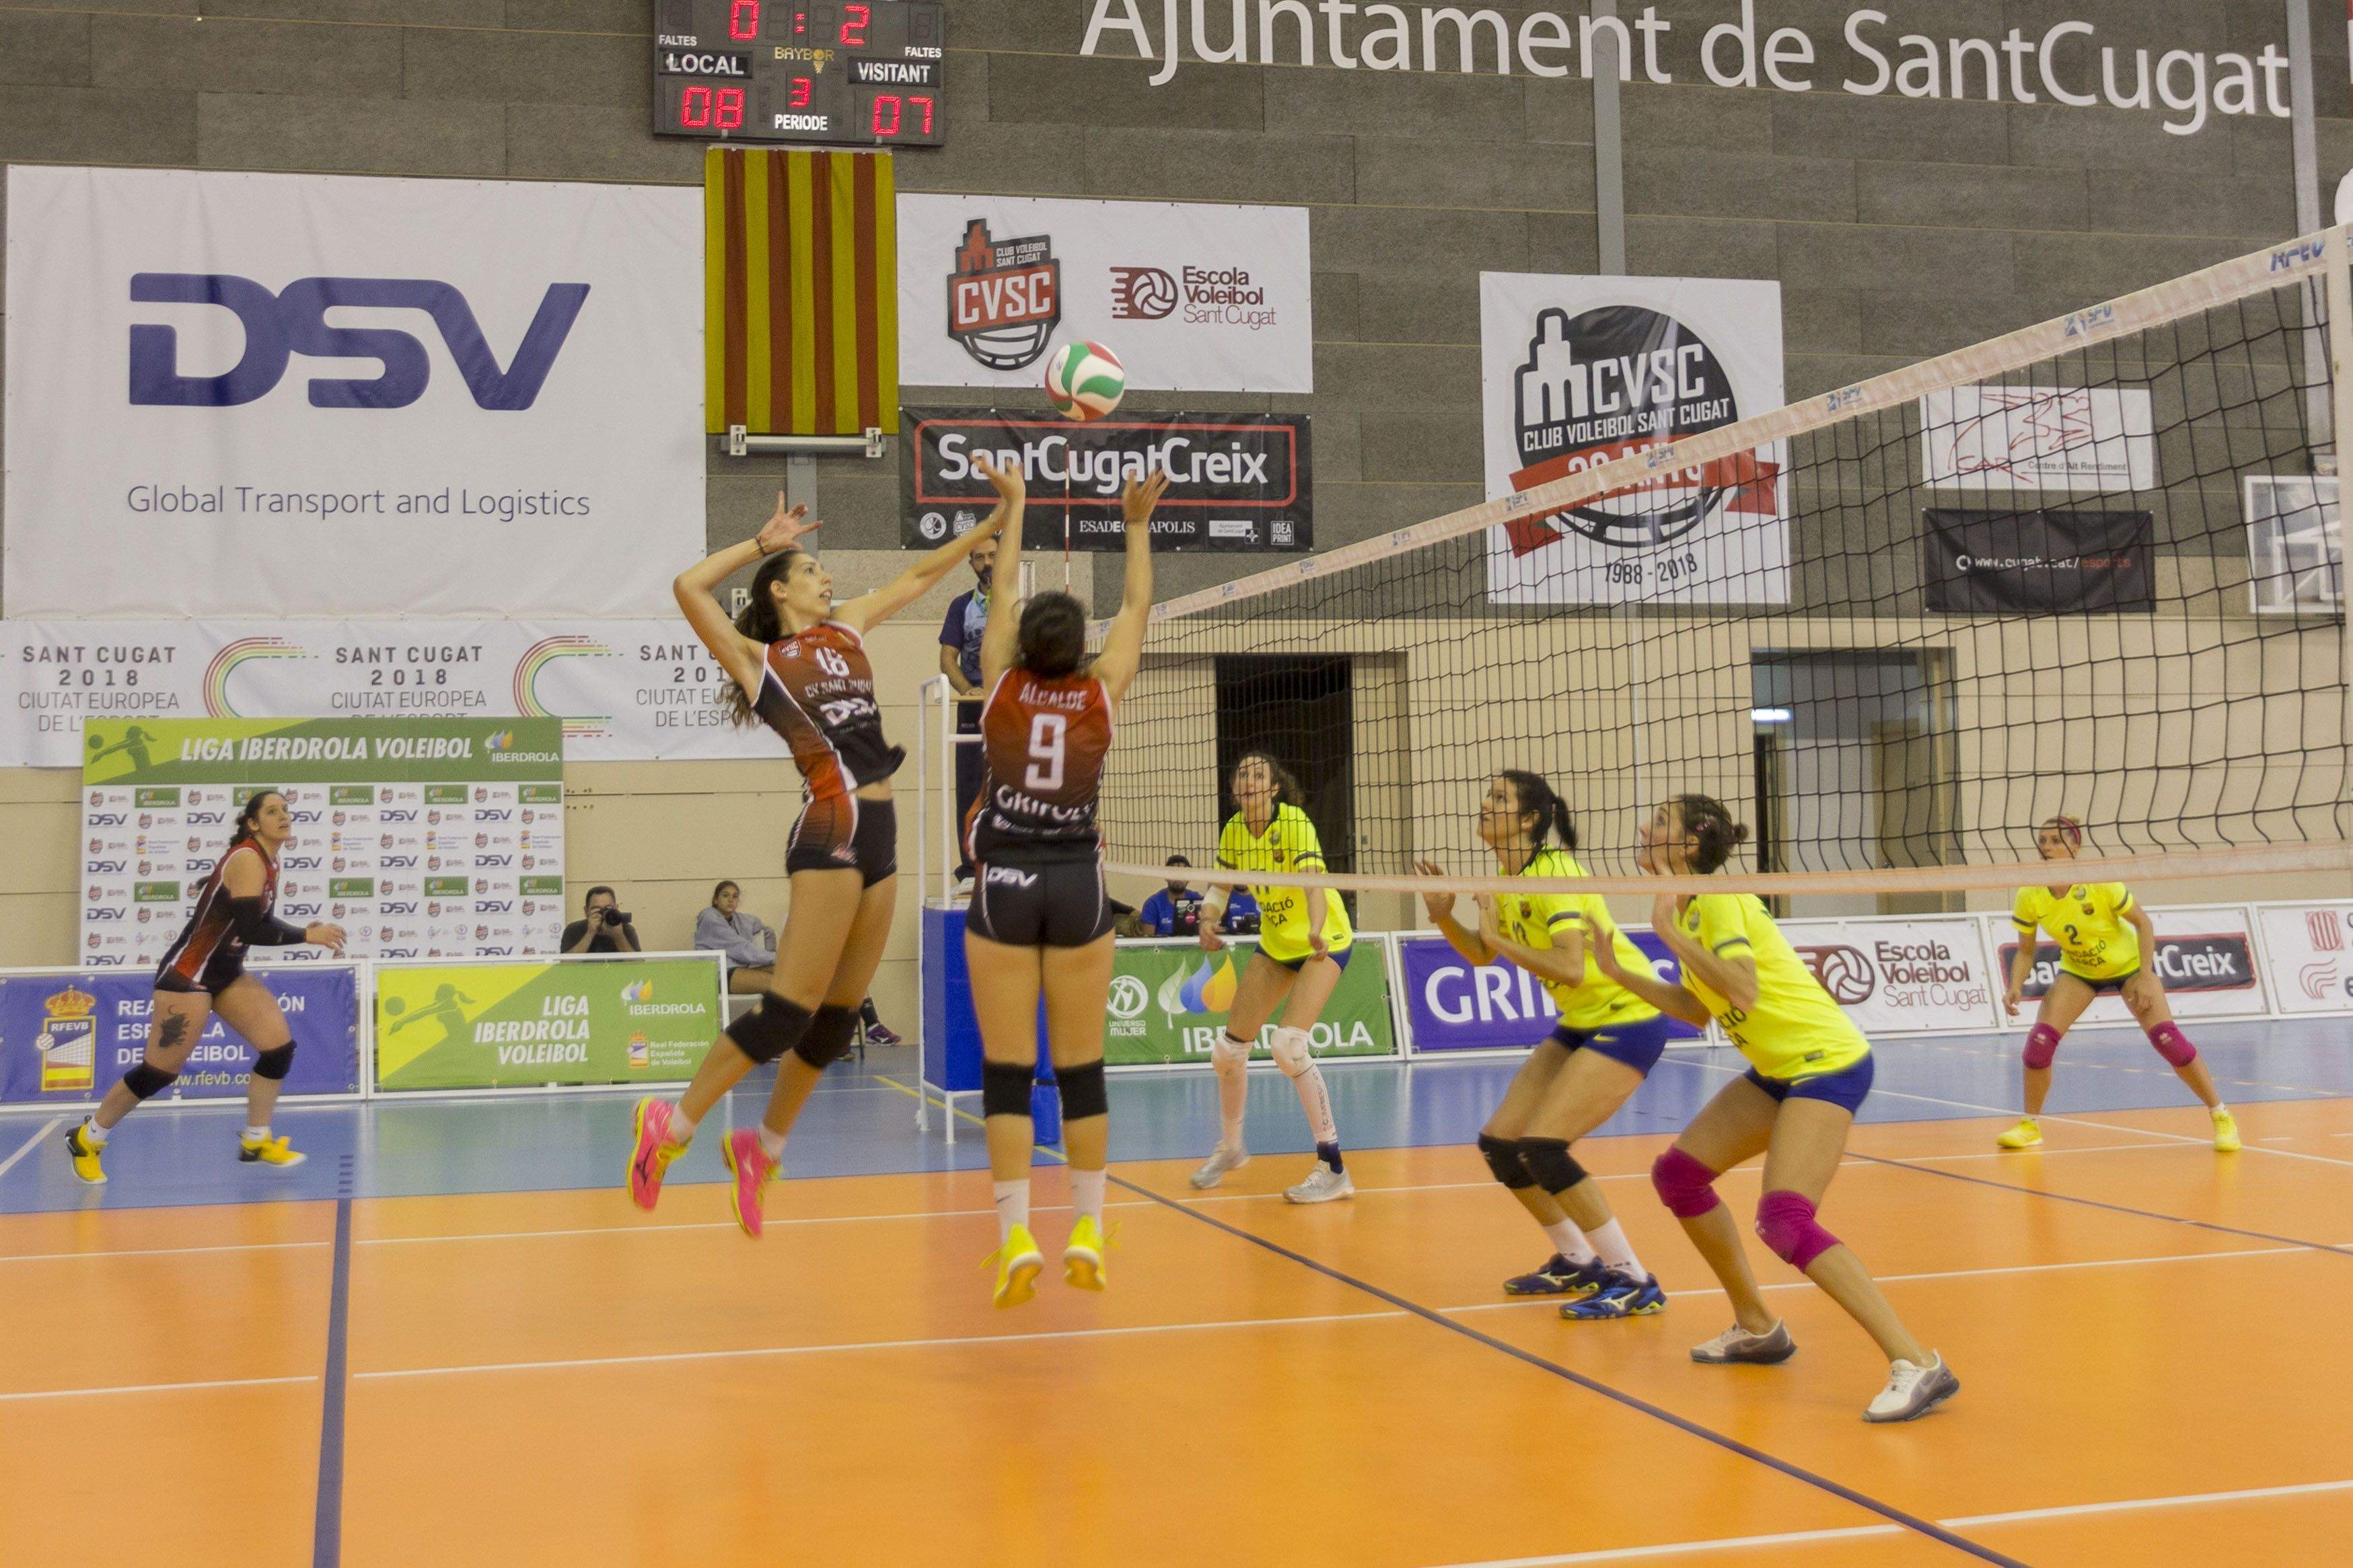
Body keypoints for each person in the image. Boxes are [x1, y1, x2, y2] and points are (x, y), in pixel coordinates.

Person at [626, 473, 1011, 1235]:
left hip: (883, 836)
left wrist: (998, 520)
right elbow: (686, 586)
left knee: (837, 1025)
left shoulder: (848, 627)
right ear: (777, 592)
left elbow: (920, 575)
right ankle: (668, 1126)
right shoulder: (757, 659)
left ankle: (761, 1149)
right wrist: (758, 544)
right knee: (785, 1013)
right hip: (829, 829)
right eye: (807, 570)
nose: (822, 574)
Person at [1590, 794, 1958, 1423]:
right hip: (1777, 1069)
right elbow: (1701, 1009)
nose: (1642, 829)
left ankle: (1916, 1360)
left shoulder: (1719, 898)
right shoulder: (1687, 904)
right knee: (1678, 1175)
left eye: (1658, 823)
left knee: (1785, 1218)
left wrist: (1670, 936)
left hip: (1826, 1063)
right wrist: (1620, 973)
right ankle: (1757, 1325)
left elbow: (1742, 986)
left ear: (1688, 844)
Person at [965, 465, 1165, 1306]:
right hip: (1078, 882)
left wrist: (1014, 506)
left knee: (1008, 1071)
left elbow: (1003, 586)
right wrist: (1134, 526)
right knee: (1081, 1070)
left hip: (1004, 880)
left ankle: (1015, 1235)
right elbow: (1137, 611)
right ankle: (1087, 1224)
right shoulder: (1099, 694)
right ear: (1078, 649)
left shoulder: (1000, 686)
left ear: (1017, 644)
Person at [1416, 771, 1676, 1319]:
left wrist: (1498, 938)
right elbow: (1483, 956)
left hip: (1627, 1017)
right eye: (1486, 794)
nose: (1485, 804)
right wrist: (1444, 916)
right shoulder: (1507, 876)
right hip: (1580, 1020)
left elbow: (1570, 967)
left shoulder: (1553, 873)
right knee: (1500, 1143)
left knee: (1544, 1146)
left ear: (1530, 820)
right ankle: (1577, 1259)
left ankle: (1633, 1279)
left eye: (1500, 798)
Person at [63, 789, 347, 1183]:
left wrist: (303, 932)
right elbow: (251, 929)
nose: (284, 816)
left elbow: (260, 921)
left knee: (278, 1049)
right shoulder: (248, 858)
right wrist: (305, 937)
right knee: (159, 1073)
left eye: (286, 810)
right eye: (272, 811)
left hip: (225, 973)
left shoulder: (268, 862)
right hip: (189, 976)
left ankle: (256, 1138)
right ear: (252, 823)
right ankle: (87, 1137)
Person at [1996, 817, 2238, 1152]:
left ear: (2075, 847)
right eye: (2044, 841)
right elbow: (2025, 950)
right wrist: (2016, 984)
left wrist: (2143, 975)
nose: (2047, 847)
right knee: (2039, 1044)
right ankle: (2029, 1126)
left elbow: (2144, 924)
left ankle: (2221, 1115)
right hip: (2079, 972)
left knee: (2169, 1041)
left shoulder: (2100, 881)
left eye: (2055, 841)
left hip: (2129, 966)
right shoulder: (2030, 892)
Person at [1188, 753, 1356, 1203]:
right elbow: (1221, 883)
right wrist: (1208, 917)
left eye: (1258, 773)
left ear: (1273, 787)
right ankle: (1231, 1147)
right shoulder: (1234, 830)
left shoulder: (1294, 823)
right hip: (1278, 943)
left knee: (1287, 1045)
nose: (1248, 779)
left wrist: (1317, 926)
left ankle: (1333, 1166)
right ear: (1233, 788)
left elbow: (1313, 884)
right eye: (1241, 773)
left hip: (1324, 939)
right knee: (1226, 1052)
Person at [939, 529, 999, 885]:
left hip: (1010, 704)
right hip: (972, 708)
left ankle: (1012, 861)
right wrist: (968, 689)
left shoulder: (1018, 602)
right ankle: (969, 869)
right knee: (970, 785)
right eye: (979, 557)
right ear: (971, 562)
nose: (987, 562)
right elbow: (947, 658)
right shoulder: (961, 606)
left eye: (992, 555)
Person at [1137, 855, 1257, 938]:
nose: (1179, 878)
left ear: (1190, 877)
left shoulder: (1199, 900)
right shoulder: (1153, 904)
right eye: (1174, 873)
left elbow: (1212, 924)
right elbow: (1148, 940)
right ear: (1165, 876)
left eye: (1184, 873)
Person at [696, 879, 775, 993]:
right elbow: (740, 948)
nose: (731, 900)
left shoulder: (743, 919)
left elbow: (768, 931)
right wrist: (773, 958)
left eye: (735, 896)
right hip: (718, 975)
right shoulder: (709, 918)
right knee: (781, 984)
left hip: (739, 971)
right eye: (725, 896)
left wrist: (771, 952)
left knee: (786, 973)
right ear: (716, 900)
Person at [562, 887, 641, 955]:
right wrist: (590, 933)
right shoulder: (574, 929)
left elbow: (638, 965)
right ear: (586, 911)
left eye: (608, 909)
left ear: (616, 908)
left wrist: (619, 936)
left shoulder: (626, 929)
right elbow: (565, 963)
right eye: (597, 909)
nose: (603, 914)